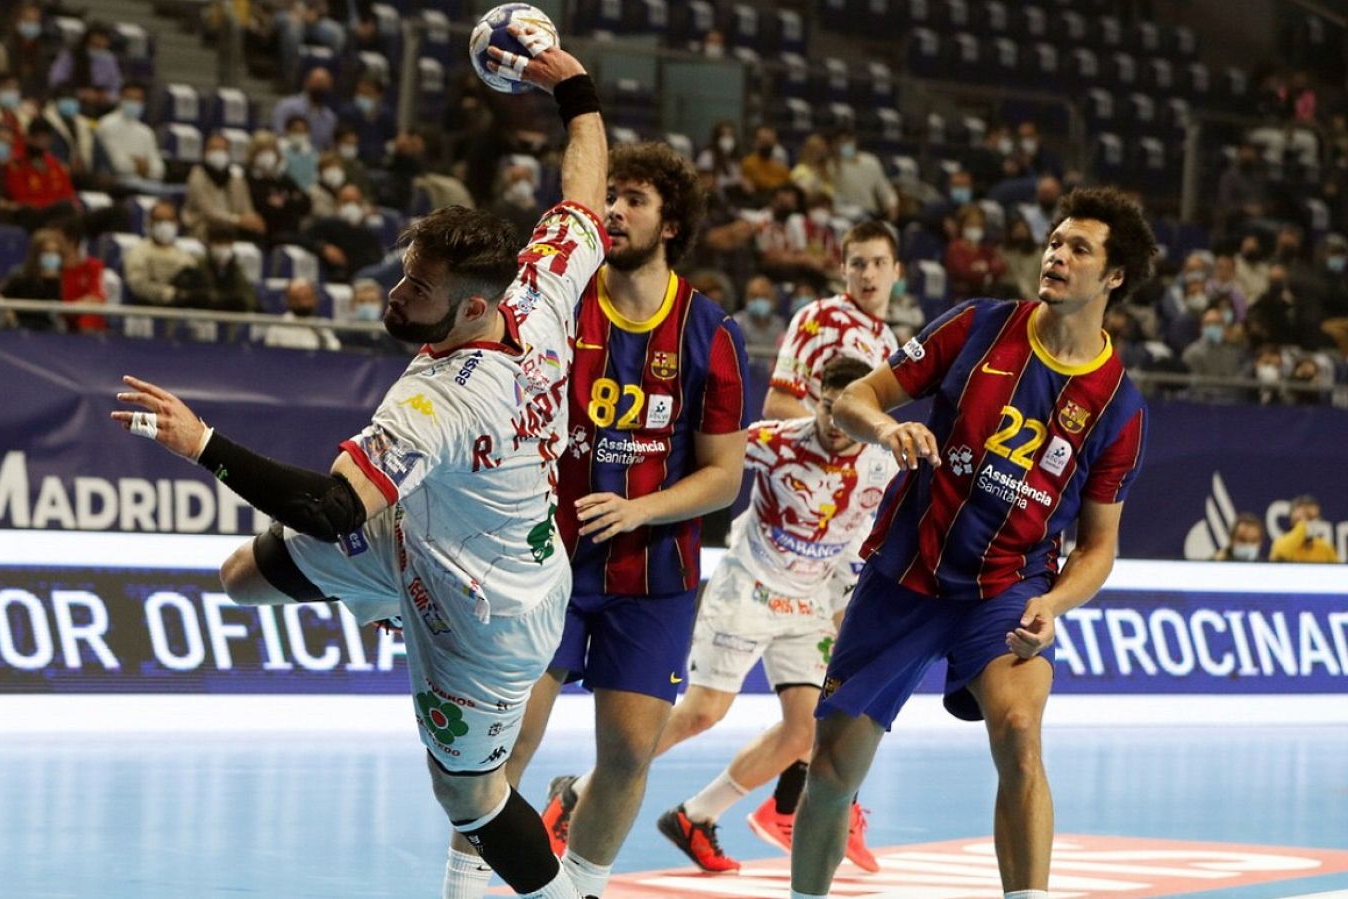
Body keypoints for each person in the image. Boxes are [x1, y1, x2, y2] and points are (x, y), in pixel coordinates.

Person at [112, 27, 604, 899]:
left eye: (417, 291)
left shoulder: (440, 401)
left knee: (470, 798)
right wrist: (575, 91)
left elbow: (336, 507)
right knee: (243, 576)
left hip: (489, 611)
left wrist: (204, 446)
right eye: (406, 273)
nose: (396, 295)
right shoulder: (543, 283)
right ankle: (386, 606)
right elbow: (585, 195)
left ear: (472, 309)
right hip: (418, 530)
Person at [789, 186, 1155, 899]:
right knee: (832, 772)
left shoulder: (1120, 407)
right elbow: (856, 397)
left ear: (1114, 276)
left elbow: (1098, 546)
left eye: (1080, 248)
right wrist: (888, 428)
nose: (1057, 254)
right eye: (1055, 241)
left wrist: (1056, 601)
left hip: (1007, 589)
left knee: (1020, 731)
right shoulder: (979, 326)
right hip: (909, 572)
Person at [446, 140, 751, 899]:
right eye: (609, 194)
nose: (613, 209)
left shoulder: (710, 332)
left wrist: (639, 507)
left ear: (670, 221)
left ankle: (581, 888)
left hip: (654, 578)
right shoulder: (561, 304)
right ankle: (463, 888)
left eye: (635, 199)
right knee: (506, 741)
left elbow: (724, 476)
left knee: (627, 753)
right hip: (544, 565)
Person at [648, 356, 897, 874]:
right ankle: (580, 793)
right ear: (816, 399)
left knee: (804, 732)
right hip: (749, 588)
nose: (835, 422)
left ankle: (695, 817)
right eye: (828, 408)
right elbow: (700, 457)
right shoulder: (775, 441)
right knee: (702, 713)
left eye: (846, 412)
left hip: (810, 602)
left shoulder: (883, 460)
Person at [764, 221, 904, 421]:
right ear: (843, 270)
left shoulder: (888, 339)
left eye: (879, 262)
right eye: (858, 264)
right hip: (814, 449)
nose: (868, 274)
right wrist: (832, 447)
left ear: (896, 271)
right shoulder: (820, 316)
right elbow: (777, 403)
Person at [182, 131, 265, 242]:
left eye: (223, 150)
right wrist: (237, 220)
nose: (219, 153)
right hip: (205, 225)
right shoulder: (197, 175)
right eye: (214, 149)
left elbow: (246, 208)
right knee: (219, 232)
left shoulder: (236, 178)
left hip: (233, 227)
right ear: (204, 153)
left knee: (256, 233)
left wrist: (252, 221)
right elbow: (207, 211)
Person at [125, 201, 197, 306]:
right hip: (148, 309)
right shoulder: (138, 252)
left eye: (170, 220)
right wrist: (166, 293)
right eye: (159, 220)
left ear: (177, 223)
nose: (165, 225)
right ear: (150, 223)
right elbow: (138, 284)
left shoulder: (185, 257)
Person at [1270, 495, 1340, 563]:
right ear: (1292, 519)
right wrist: (1302, 527)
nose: (1310, 523)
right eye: (1307, 518)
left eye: (1313, 518)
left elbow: (1337, 571)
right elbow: (1281, 554)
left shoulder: (1325, 548)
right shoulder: (1280, 543)